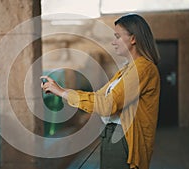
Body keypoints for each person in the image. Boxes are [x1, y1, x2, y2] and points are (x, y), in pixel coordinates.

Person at [41, 13, 160, 169]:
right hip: (112, 135)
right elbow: (99, 96)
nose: (113, 42)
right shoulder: (126, 69)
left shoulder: (143, 68)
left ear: (133, 39)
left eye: (118, 36)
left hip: (124, 140)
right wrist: (62, 89)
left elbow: (107, 105)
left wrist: (63, 93)